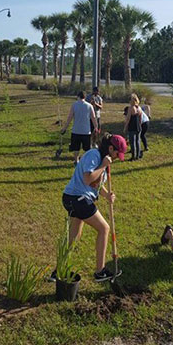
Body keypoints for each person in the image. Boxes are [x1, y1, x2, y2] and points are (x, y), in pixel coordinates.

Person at [49, 133, 127, 282]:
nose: (118, 157)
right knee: (104, 228)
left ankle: (58, 270)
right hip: (77, 198)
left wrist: (106, 195)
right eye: (117, 154)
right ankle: (100, 271)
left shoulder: (103, 159)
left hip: (76, 198)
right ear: (111, 148)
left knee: (74, 236)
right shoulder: (94, 155)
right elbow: (87, 179)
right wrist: (103, 165)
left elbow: (96, 184)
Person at [61, 91, 98, 166]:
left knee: (76, 147)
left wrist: (64, 128)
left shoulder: (74, 105)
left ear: (78, 96)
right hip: (86, 131)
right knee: (87, 148)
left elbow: (70, 118)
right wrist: (96, 127)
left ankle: (76, 161)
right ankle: (86, 161)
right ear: (85, 97)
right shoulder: (89, 106)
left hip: (76, 130)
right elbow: (93, 118)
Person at [123, 93, 142, 161]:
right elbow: (140, 117)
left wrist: (125, 127)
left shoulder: (131, 108)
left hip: (132, 126)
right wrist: (140, 124)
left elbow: (128, 119)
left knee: (132, 142)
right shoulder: (139, 108)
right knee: (137, 141)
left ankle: (133, 156)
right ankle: (138, 155)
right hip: (138, 126)